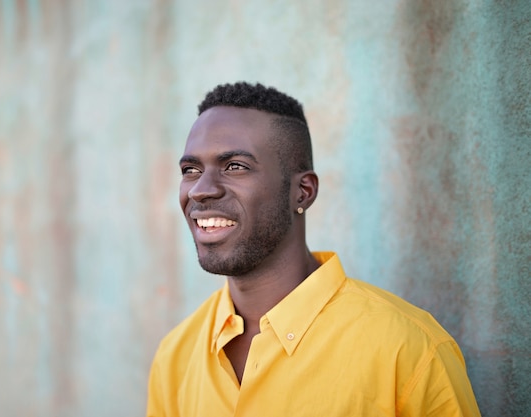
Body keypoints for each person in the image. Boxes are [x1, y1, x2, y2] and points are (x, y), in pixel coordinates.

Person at [146, 82, 481, 416]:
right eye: (191, 170)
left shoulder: (409, 350)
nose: (200, 190)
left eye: (236, 166)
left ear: (303, 192)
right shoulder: (175, 356)